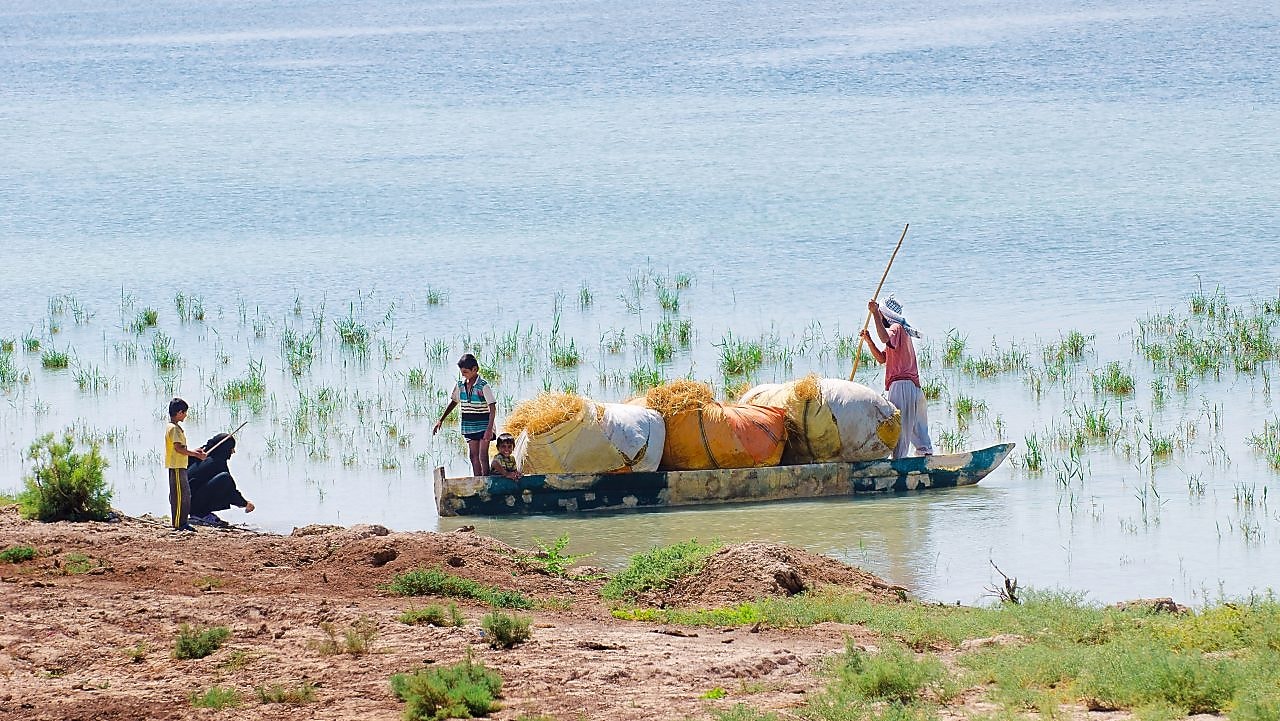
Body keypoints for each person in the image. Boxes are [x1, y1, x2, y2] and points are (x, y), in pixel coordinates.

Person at [860, 295, 934, 458]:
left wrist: (874, 314)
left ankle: (899, 463)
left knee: (899, 427)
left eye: (881, 314)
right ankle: (925, 456)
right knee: (917, 427)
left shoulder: (896, 328)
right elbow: (882, 359)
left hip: (901, 386)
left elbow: (885, 337)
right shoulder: (901, 333)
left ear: (886, 315)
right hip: (913, 387)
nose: (879, 317)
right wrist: (870, 341)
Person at [433, 353, 497, 476]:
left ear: (475, 369)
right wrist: (441, 420)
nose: (463, 374)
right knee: (473, 456)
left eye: (466, 372)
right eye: (462, 372)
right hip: (469, 425)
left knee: (482, 456)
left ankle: (486, 481)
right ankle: (477, 481)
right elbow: (454, 402)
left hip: (484, 425)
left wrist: (489, 429)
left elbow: (492, 407)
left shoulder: (483, 386)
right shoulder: (460, 386)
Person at [187, 433, 255, 528]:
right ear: (225, 448)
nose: (233, 451)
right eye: (231, 448)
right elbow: (230, 490)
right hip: (191, 503)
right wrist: (245, 503)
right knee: (225, 478)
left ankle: (200, 512)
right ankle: (200, 514)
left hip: (183, 502)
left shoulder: (198, 456)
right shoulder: (217, 462)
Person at [165, 397, 207, 532]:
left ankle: (183, 521)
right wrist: (196, 455)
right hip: (176, 466)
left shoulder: (176, 428)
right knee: (179, 495)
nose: (186, 415)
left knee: (185, 494)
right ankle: (178, 523)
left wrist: (194, 451)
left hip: (181, 465)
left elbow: (181, 447)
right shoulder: (174, 429)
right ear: (179, 412)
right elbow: (178, 448)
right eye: (185, 412)